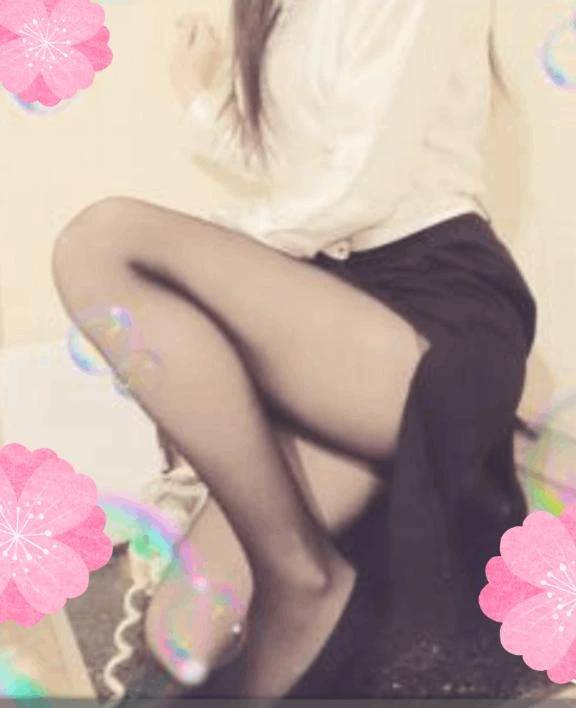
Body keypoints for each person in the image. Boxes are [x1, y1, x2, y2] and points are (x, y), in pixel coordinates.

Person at [52, 0, 537, 699]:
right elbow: (308, 171)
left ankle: (303, 582)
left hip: (437, 316)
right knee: (181, 635)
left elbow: (365, 185)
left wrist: (222, 265)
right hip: (341, 308)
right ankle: (317, 570)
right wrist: (199, 98)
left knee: (101, 241)